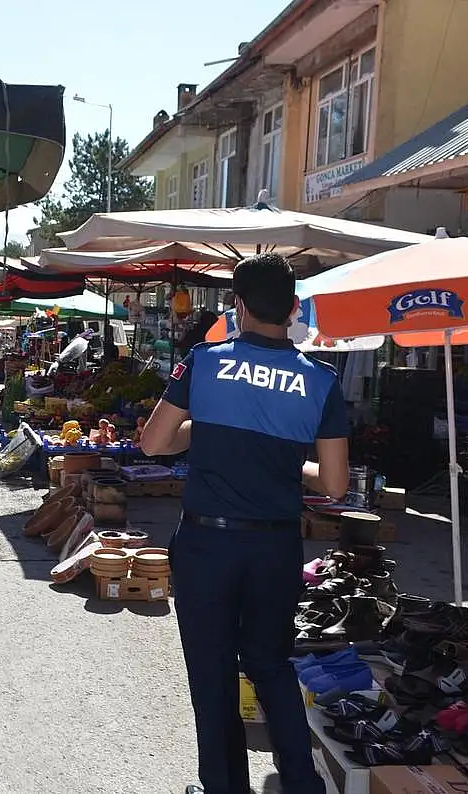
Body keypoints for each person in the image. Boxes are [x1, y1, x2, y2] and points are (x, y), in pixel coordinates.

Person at [138, 252, 349, 794]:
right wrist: (284, 462)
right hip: (275, 548)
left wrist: (207, 429)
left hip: (207, 543)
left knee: (212, 675)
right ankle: (302, 784)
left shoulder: (205, 361)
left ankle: (224, 786)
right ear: (294, 309)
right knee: (271, 664)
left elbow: (155, 443)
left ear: (237, 306)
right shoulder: (321, 380)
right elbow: (334, 484)